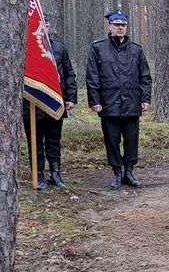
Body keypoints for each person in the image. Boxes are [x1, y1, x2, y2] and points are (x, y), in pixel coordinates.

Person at [86, 10, 152, 190]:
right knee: (112, 139)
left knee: (132, 139)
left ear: (126, 27)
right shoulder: (98, 48)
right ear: (110, 27)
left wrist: (145, 99)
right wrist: (95, 101)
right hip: (109, 103)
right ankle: (116, 172)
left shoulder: (136, 50)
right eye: (116, 25)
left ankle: (129, 172)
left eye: (122, 25)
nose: (120, 28)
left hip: (131, 102)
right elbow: (92, 77)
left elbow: (145, 77)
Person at [22, 18, 78, 190]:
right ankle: (38, 175)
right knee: (35, 142)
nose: (43, 28)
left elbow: (69, 74)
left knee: (54, 141)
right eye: (40, 26)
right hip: (31, 105)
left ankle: (55, 173)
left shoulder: (59, 48)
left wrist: (71, 98)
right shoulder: (26, 49)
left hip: (55, 102)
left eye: (45, 25)